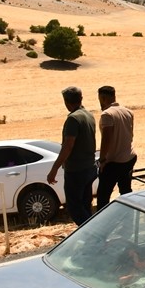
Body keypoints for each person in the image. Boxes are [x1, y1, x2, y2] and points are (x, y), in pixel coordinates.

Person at [47, 86, 98, 225]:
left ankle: (90, 233)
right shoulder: (89, 115)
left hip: (76, 170)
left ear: (66, 102)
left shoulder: (73, 119)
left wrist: (54, 169)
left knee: (74, 207)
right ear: (81, 98)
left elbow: (68, 146)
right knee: (85, 204)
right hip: (89, 167)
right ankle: (92, 231)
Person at [96, 85, 136, 208]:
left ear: (102, 98)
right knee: (125, 191)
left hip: (114, 161)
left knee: (103, 196)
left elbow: (106, 138)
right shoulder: (128, 112)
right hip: (129, 157)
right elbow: (131, 134)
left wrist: (102, 159)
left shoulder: (107, 114)